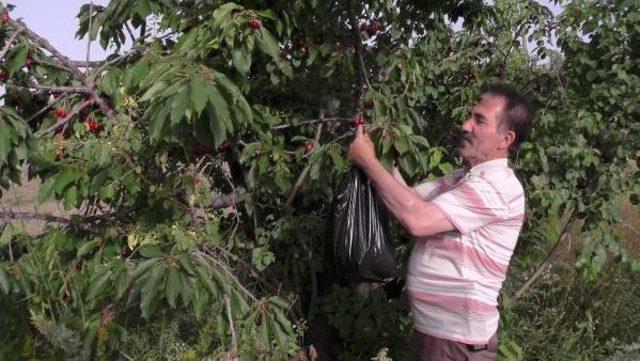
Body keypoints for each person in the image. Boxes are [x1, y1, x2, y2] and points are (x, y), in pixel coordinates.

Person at [347, 84, 532, 361]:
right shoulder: (463, 177)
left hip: (455, 344)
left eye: (479, 120)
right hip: (437, 336)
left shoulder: (498, 186)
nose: (465, 125)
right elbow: (408, 198)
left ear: (505, 139)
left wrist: (369, 163)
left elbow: (417, 220)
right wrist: (382, 152)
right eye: (470, 116)